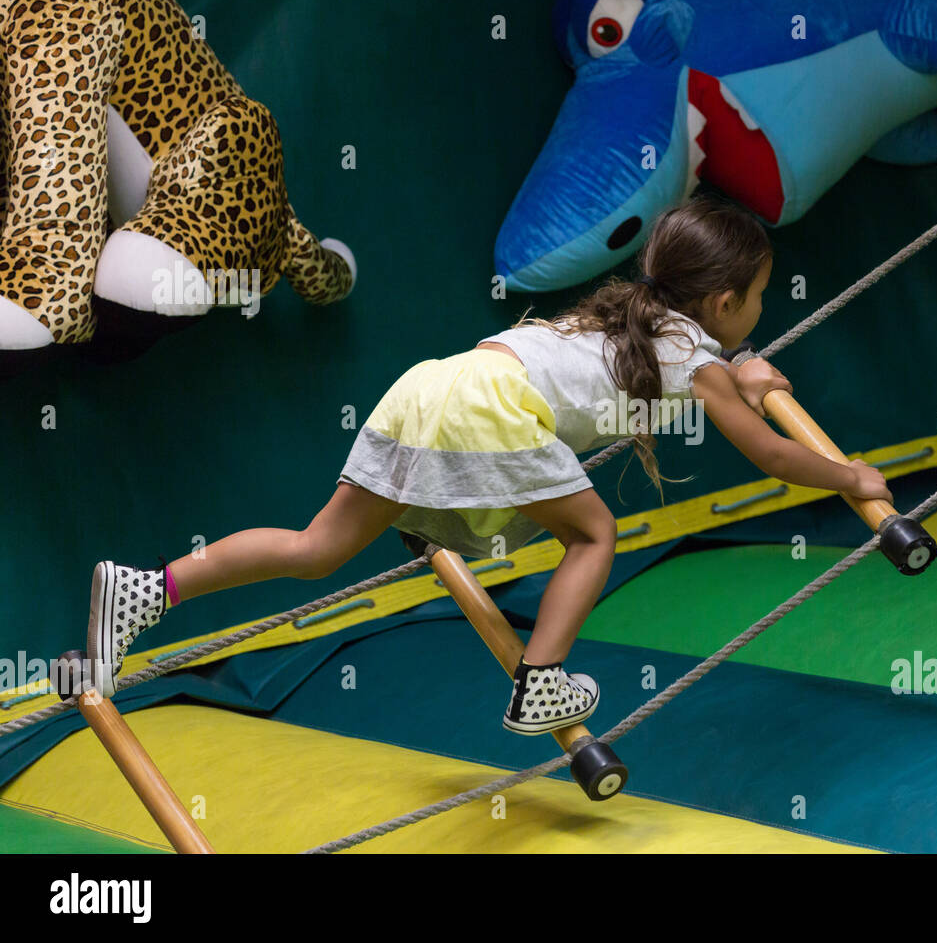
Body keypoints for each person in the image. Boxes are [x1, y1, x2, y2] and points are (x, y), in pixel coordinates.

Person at [86, 194, 893, 735]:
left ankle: (149, 587)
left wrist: (742, 373)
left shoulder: (621, 315)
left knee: (314, 549)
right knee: (594, 537)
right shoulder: (691, 353)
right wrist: (852, 476)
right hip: (489, 414)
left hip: (433, 387)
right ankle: (540, 678)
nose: (758, 312)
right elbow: (772, 454)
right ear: (722, 304)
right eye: (756, 298)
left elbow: (704, 378)